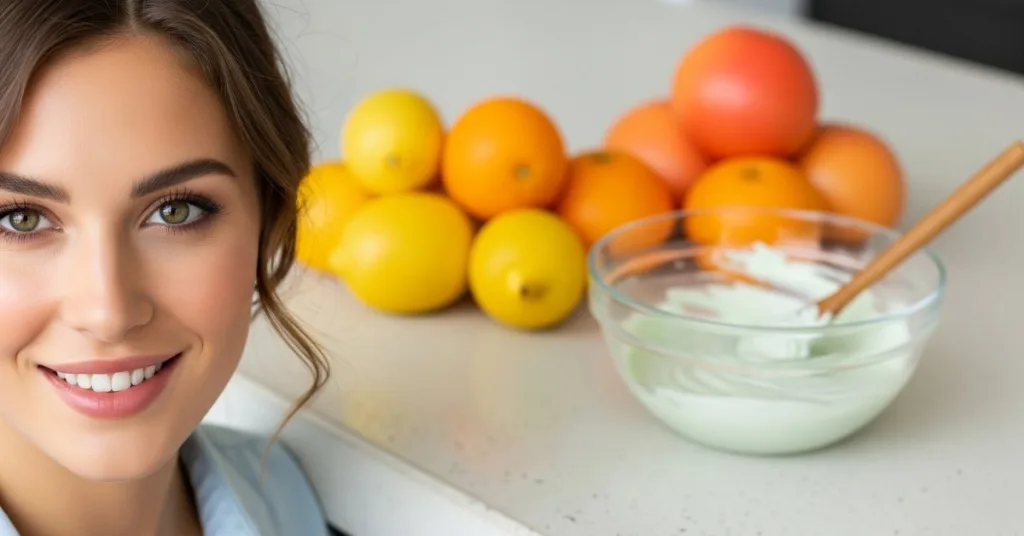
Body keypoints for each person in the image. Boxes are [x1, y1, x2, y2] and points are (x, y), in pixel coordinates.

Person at [0, 0, 333, 534]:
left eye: (175, 211)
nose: (109, 313)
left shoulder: (287, 497)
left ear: (268, 214)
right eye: (21, 220)